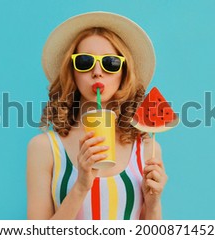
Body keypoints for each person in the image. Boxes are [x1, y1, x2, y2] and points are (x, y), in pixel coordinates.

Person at [27, 12, 167, 220]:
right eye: (84, 62)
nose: (97, 72)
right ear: (72, 72)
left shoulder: (148, 149)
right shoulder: (44, 148)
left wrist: (153, 203)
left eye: (110, 63)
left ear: (124, 72)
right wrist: (81, 186)